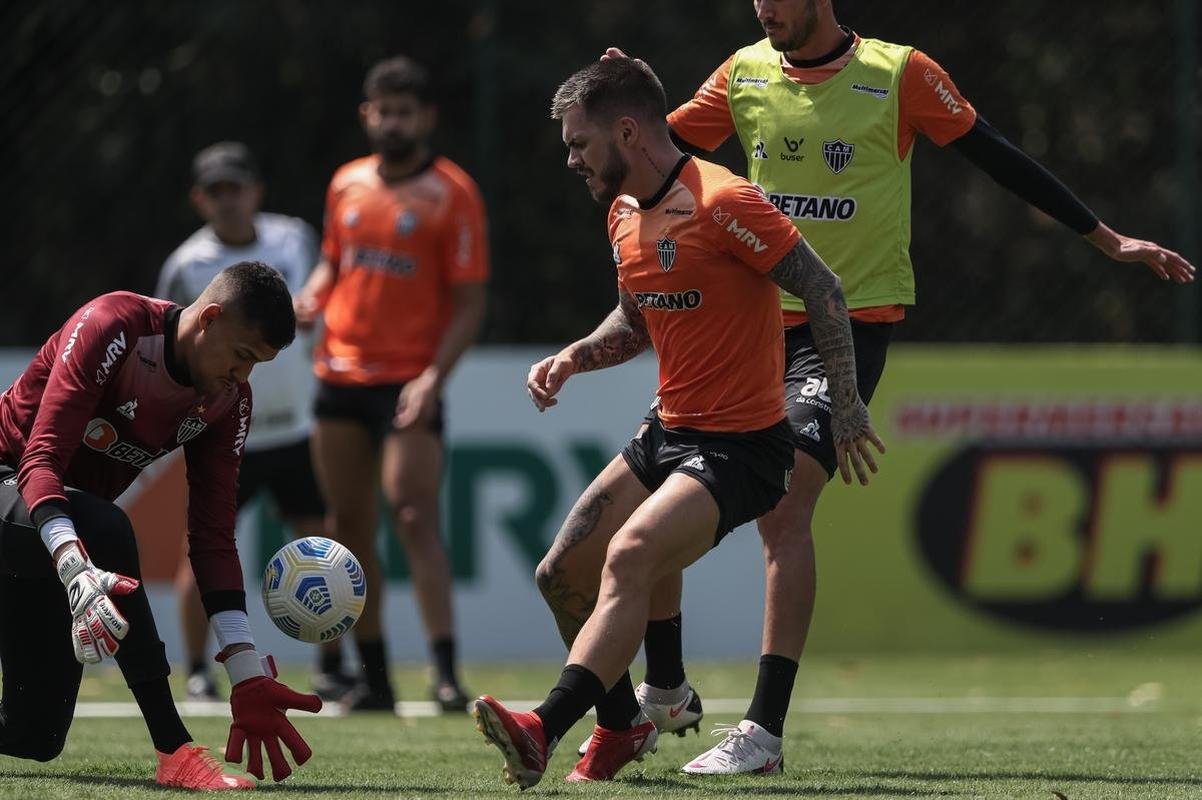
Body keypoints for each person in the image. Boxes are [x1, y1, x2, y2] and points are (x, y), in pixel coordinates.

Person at [593, 0, 1197, 775]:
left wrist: (1105, 237)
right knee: (668, 485)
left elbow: (997, 155)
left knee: (784, 507)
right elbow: (654, 150)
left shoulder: (899, 73)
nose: (765, 7)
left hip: (843, 328)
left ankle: (763, 734)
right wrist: (617, 98)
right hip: (742, 325)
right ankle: (668, 687)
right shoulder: (741, 74)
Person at [472, 56, 882, 789]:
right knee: (560, 575)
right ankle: (624, 723)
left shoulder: (725, 201)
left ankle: (543, 728)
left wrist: (846, 405)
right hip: (668, 431)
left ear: (627, 131)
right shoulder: (624, 211)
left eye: (578, 144)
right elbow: (634, 321)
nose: (570, 160)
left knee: (630, 555)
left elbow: (823, 287)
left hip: (745, 449)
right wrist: (572, 357)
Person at [0, 262, 323, 789]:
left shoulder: (228, 400)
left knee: (34, 736)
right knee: (107, 528)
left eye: (257, 365)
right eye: (243, 356)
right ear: (210, 319)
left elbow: (213, 536)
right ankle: (174, 750)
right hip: (19, 488)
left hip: (57, 533)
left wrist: (245, 669)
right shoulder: (114, 326)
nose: (243, 377)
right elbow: (40, 461)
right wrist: (74, 564)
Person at [294, 55, 488, 713]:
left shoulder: (452, 193)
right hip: (338, 374)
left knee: (412, 515)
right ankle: (373, 679)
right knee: (347, 527)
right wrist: (310, 299)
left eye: (407, 112)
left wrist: (434, 378)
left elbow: (469, 303)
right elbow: (332, 264)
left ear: (426, 119)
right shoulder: (346, 184)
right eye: (385, 111)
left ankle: (444, 673)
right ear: (367, 116)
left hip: (407, 381)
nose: (395, 123)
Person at [157, 141, 356, 703]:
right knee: (201, 547)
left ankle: (333, 667)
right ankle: (196, 668)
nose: (228, 200)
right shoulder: (186, 264)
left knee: (323, 549)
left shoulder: (293, 238)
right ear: (200, 199)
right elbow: (171, 344)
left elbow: (325, 292)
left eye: (235, 188)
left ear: (255, 191)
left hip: (295, 428)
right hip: (222, 431)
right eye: (216, 191)